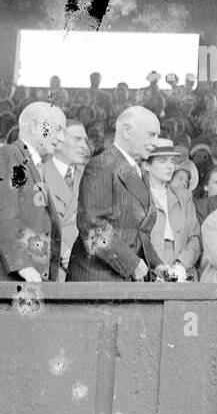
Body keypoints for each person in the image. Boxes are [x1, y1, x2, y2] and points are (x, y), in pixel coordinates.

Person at [68, 106, 163, 282]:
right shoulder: (101, 165)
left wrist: (157, 265)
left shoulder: (139, 171)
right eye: (152, 135)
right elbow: (92, 226)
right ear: (127, 131)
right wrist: (131, 263)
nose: (157, 142)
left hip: (122, 279)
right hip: (97, 280)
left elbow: (139, 234)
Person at [0, 101, 65, 282]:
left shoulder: (34, 163)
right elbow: (1, 216)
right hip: (13, 279)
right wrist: (22, 264)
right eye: (57, 129)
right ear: (34, 126)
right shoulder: (10, 155)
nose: (62, 138)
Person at [143, 138, 201, 281]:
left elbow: (195, 238)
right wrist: (158, 268)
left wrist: (181, 266)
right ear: (146, 165)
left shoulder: (184, 196)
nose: (170, 166)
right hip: (151, 274)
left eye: (172, 161)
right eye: (163, 161)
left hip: (184, 272)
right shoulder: (139, 195)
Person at [39, 119, 89, 280]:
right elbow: (34, 223)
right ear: (58, 142)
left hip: (84, 266)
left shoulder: (90, 177)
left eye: (85, 140)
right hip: (50, 267)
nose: (85, 146)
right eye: (77, 139)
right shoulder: (39, 174)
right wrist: (62, 251)